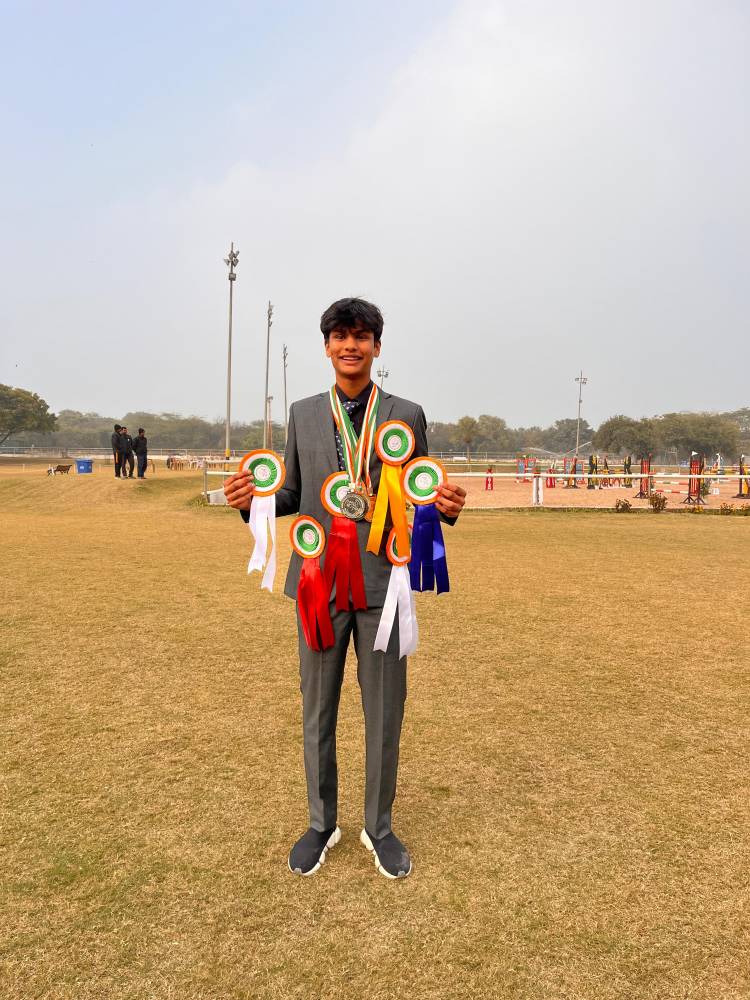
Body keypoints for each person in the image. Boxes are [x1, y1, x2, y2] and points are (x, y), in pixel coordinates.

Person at [224, 297, 466, 880]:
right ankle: (320, 823)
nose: (350, 345)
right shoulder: (305, 414)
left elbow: (420, 489)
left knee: (386, 713)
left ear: (378, 347)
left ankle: (378, 827)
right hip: (318, 582)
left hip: (386, 585)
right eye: (339, 335)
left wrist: (447, 508)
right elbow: (290, 494)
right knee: (317, 708)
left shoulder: (406, 413)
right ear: (327, 345)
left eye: (361, 336)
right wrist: (251, 501)